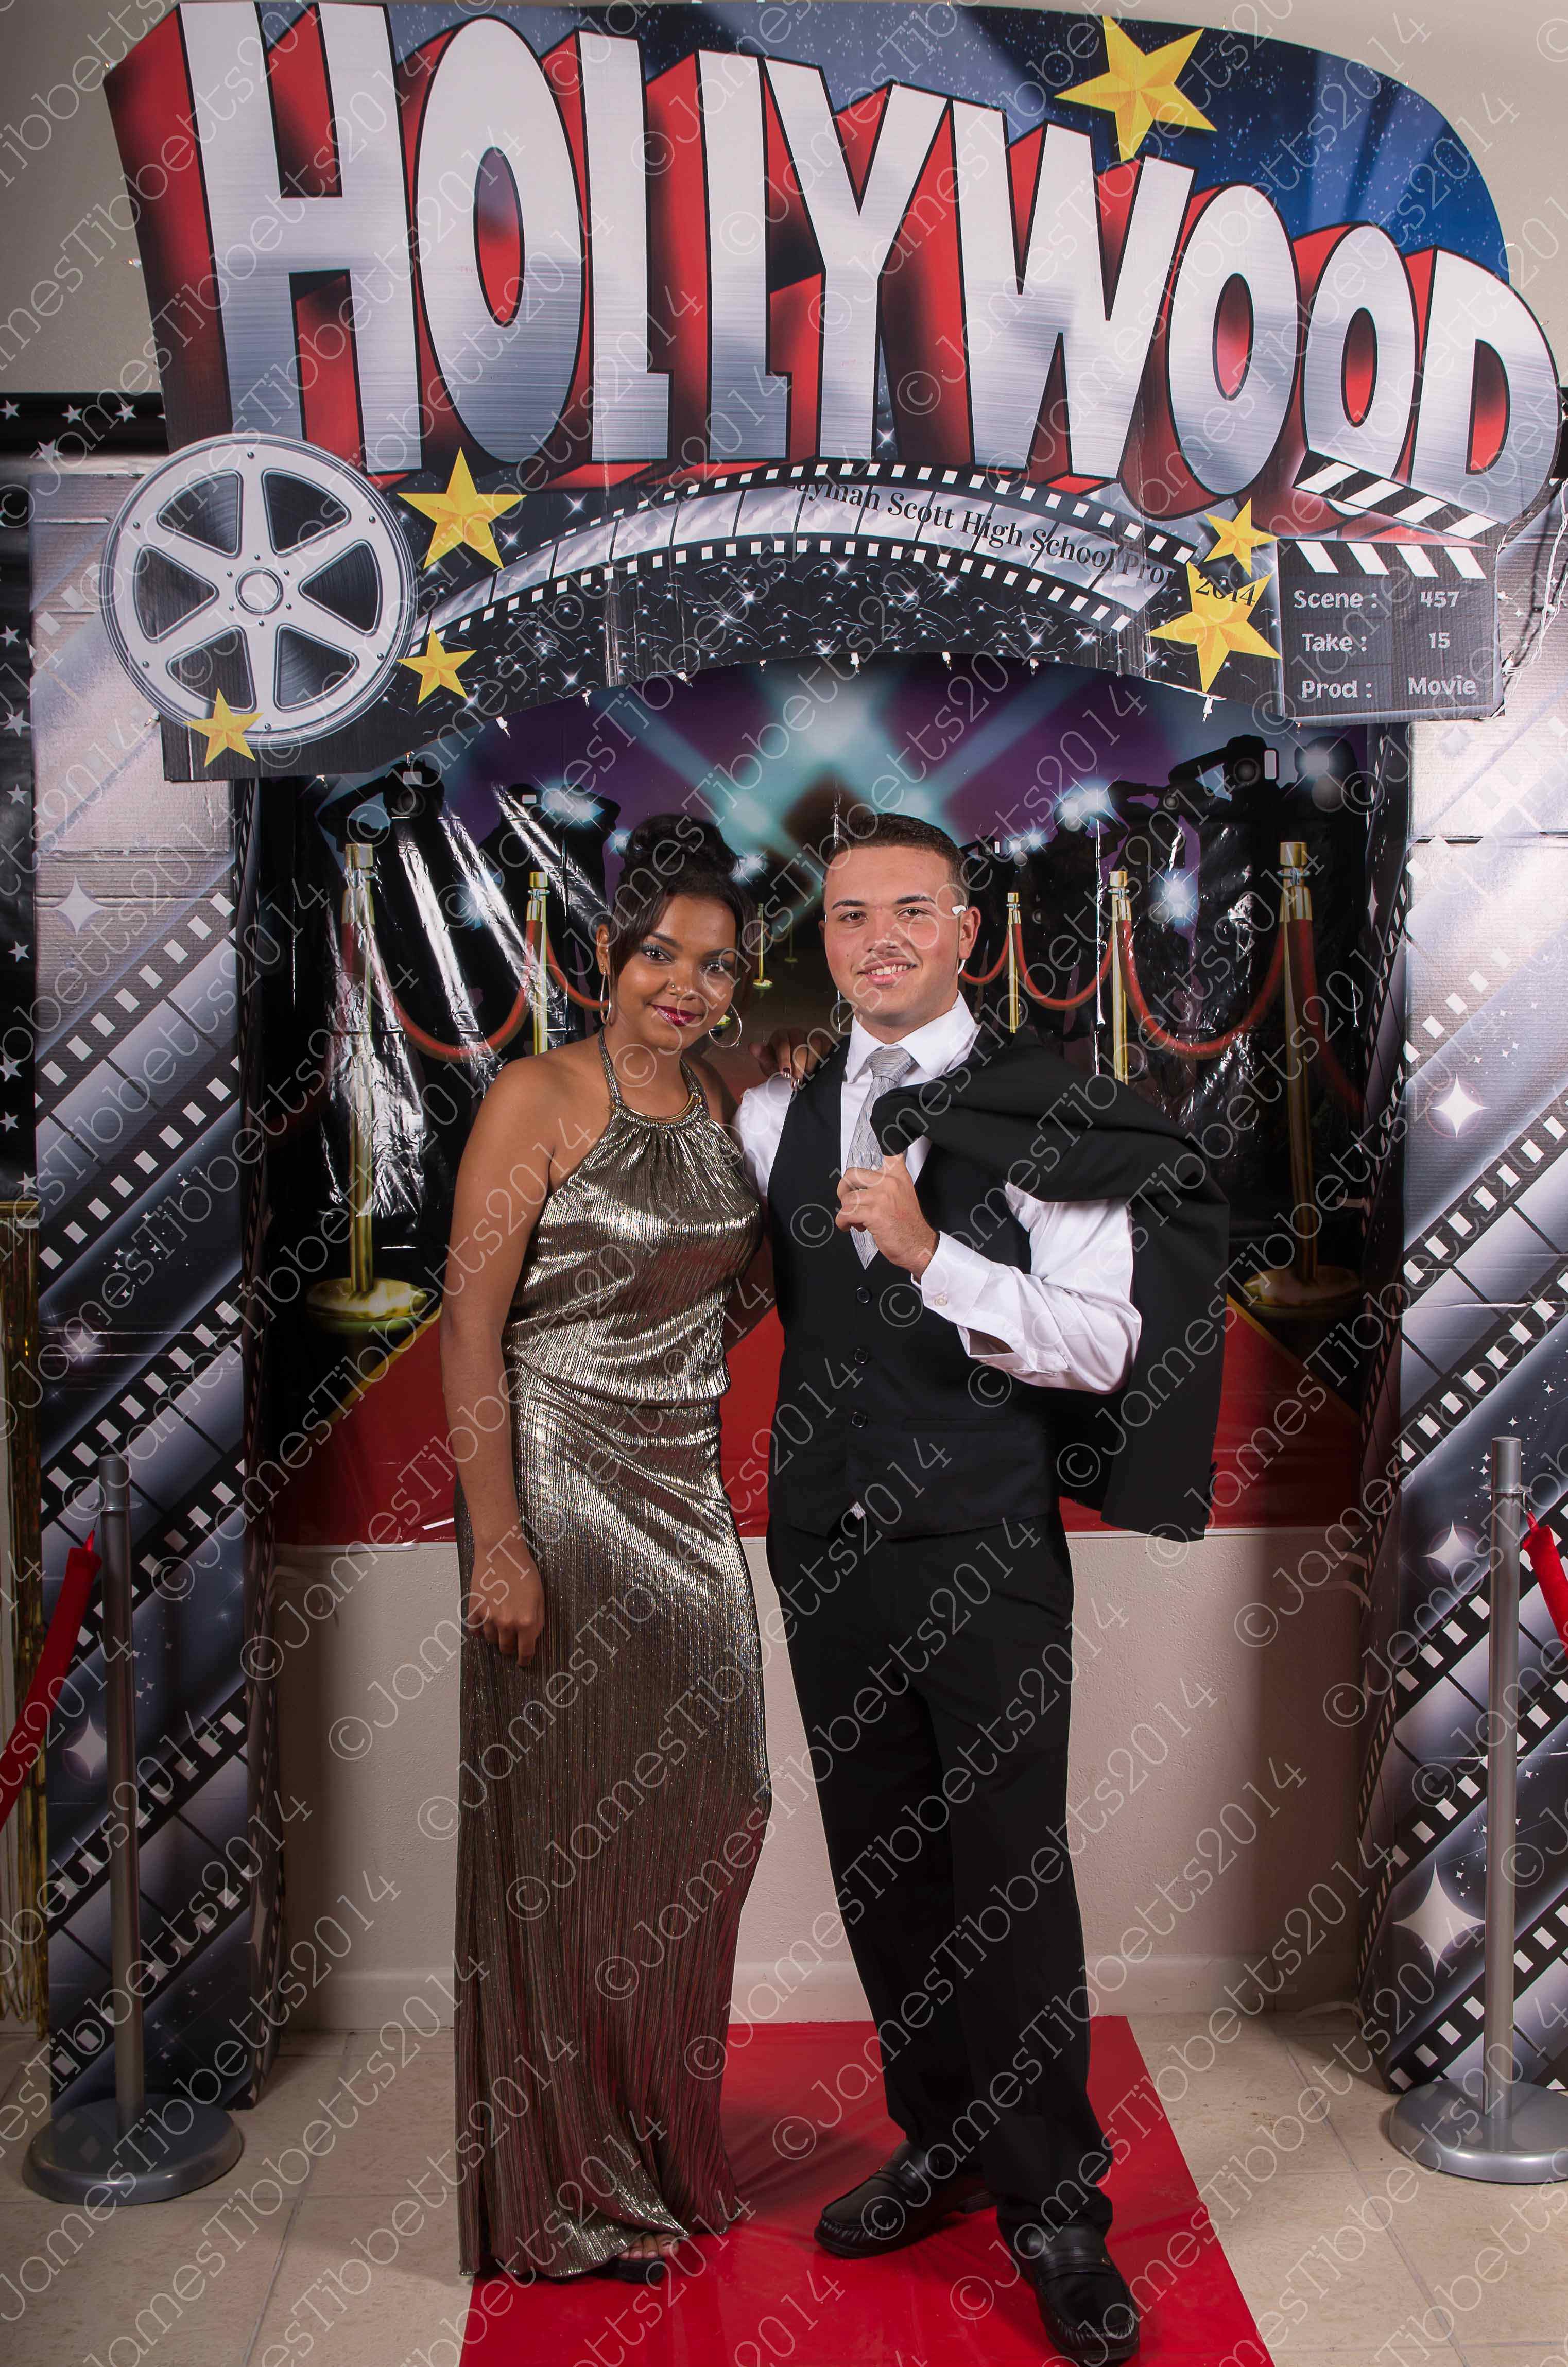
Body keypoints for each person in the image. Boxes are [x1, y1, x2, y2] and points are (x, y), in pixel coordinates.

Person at [735, 813, 1228, 2366]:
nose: (878, 937)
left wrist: (931, 1252)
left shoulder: (1051, 1107)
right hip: (825, 1542)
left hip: (983, 1543)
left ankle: (1056, 2213)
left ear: (968, 931)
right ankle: (942, 2141)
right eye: (848, 914)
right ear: (823, 940)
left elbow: (1108, 1344)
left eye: (910, 911)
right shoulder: (777, 1110)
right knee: (884, 1867)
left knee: (1008, 1873)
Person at [440, 813, 772, 2286]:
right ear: (605, 956)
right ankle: (567, 2190)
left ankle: (658, 2146)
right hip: (559, 1497)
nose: (685, 986)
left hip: (684, 1495)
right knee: (569, 1846)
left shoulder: (726, 1100)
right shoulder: (538, 1094)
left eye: (716, 966)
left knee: (712, 1816)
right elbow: (468, 1330)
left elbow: (739, 1289)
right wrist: (497, 1541)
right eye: (660, 956)